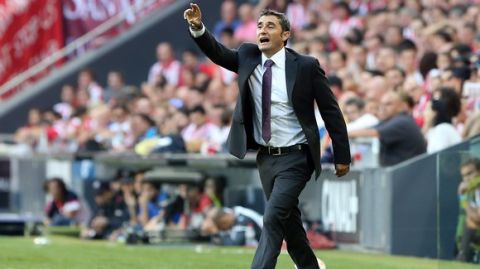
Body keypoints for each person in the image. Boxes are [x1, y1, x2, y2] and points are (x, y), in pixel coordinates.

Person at [184, 4, 350, 269]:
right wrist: (197, 28)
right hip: (266, 158)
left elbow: (331, 111)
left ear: (285, 34)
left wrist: (342, 155)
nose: (263, 30)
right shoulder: (248, 55)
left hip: (297, 156)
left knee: (272, 218)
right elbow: (218, 53)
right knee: (288, 222)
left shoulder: (306, 66)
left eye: (270, 26)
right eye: (260, 26)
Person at [349, 91, 426, 166]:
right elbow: (367, 130)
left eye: (388, 104)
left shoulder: (403, 121)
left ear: (402, 106)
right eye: (381, 105)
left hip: (408, 175)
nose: (382, 108)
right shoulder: (389, 120)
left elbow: (374, 133)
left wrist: (343, 134)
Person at [457, 158, 480, 263]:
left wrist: (463, 198)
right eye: (464, 176)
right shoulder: (472, 190)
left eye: (470, 173)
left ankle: (463, 256)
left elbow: (477, 218)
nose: (467, 179)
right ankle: (462, 255)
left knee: (470, 220)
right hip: (473, 237)